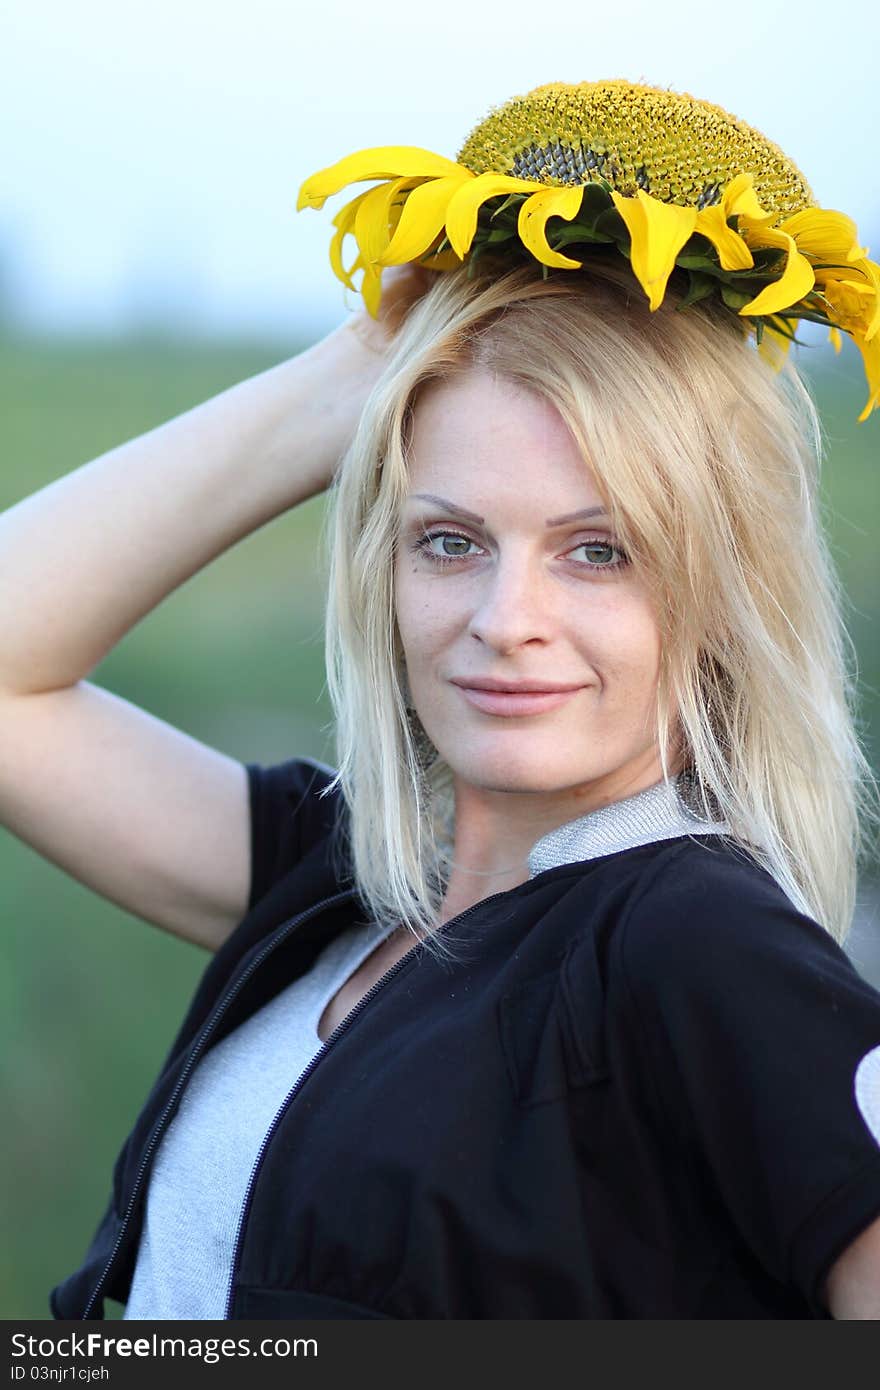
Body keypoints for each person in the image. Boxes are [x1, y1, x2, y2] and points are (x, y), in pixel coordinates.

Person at [3, 79, 880, 1321]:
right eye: (452, 540)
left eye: (598, 550)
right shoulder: (339, 879)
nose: (502, 619)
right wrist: (367, 366)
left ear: (721, 591)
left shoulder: (696, 947)